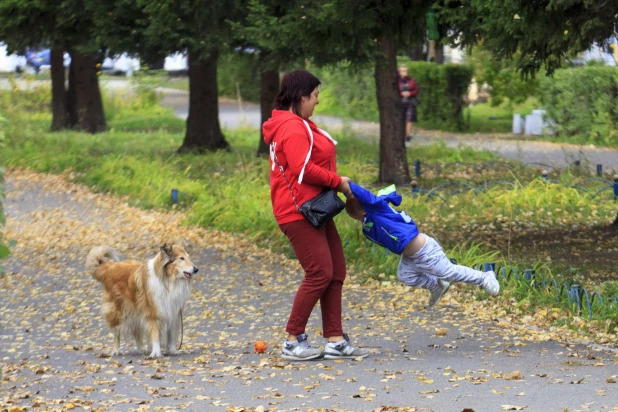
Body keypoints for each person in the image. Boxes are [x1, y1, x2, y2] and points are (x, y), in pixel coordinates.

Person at [262, 70, 369, 361]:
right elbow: (303, 169)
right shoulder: (292, 127)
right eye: (316, 95)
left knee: (335, 271)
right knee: (320, 272)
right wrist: (339, 182)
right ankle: (292, 340)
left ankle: (335, 339)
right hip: (298, 212)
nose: (317, 102)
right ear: (302, 96)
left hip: (314, 208)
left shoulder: (298, 123)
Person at [344, 182, 500, 307]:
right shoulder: (371, 218)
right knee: (405, 275)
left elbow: (365, 196)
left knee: (448, 272)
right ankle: (436, 286)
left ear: (363, 213)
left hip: (425, 250)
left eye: (356, 218)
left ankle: (484, 278)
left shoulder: (377, 209)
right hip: (410, 256)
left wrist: (346, 186)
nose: (359, 221)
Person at [397, 65, 419, 142]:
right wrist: (401, 94)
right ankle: (400, 134)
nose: (405, 72)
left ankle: (407, 135)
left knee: (409, 118)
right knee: (401, 118)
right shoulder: (397, 81)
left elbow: (416, 90)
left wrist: (410, 93)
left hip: (410, 101)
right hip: (400, 101)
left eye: (406, 70)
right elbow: (393, 91)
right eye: (403, 71)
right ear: (399, 72)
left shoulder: (411, 80)